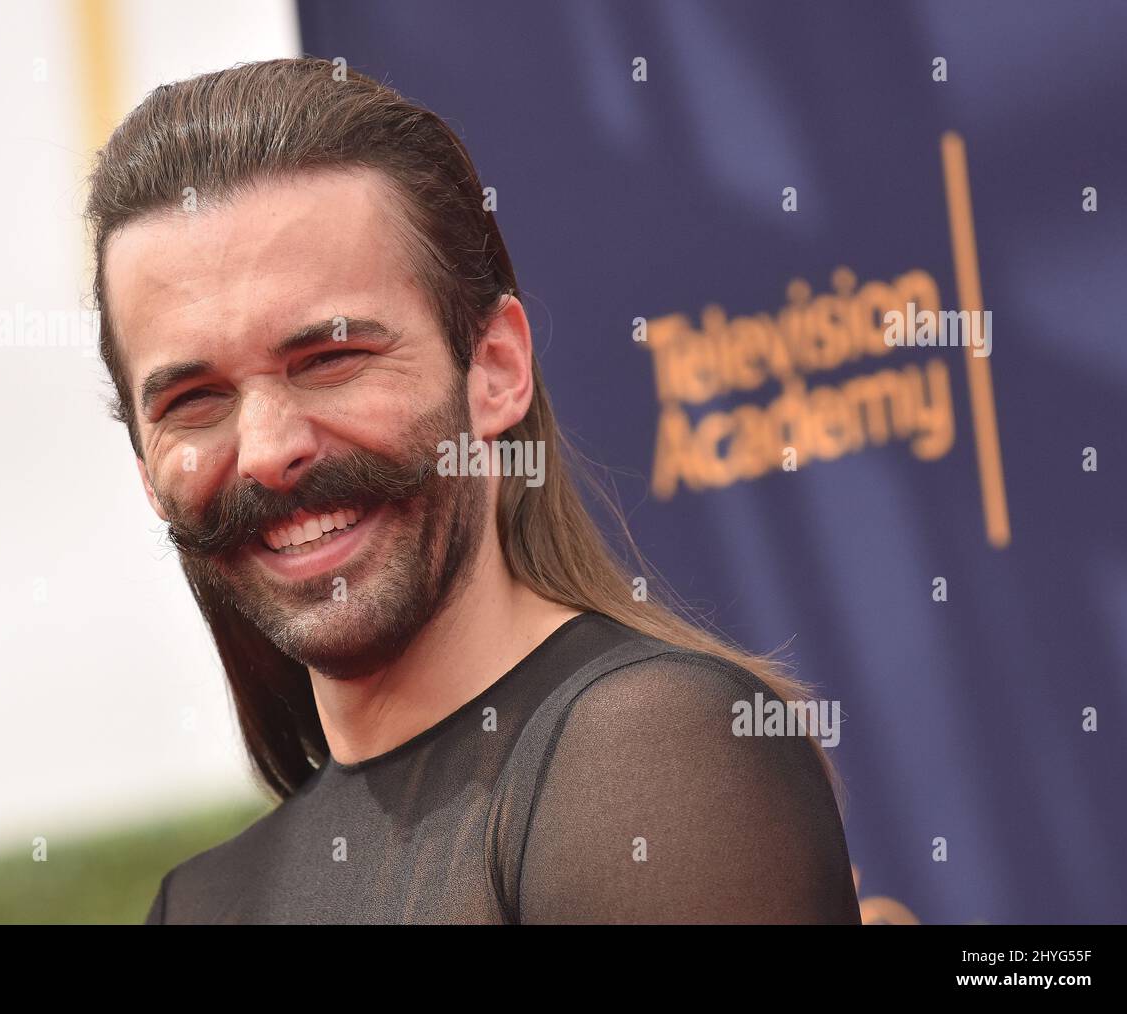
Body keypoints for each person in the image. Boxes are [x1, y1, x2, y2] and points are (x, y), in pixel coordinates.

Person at [85, 57, 861, 924]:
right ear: (149, 471)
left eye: (331, 359)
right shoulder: (199, 907)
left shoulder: (651, 752)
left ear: (495, 370)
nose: (268, 451)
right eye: (194, 401)